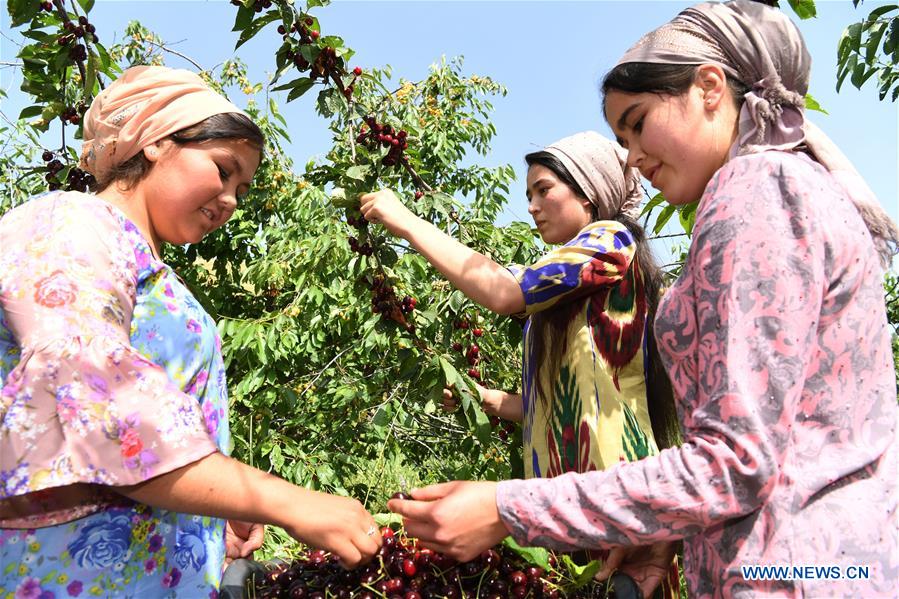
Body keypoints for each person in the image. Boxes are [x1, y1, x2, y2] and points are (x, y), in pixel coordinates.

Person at [387, 1, 899, 597]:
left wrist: (508, 508)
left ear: (710, 87)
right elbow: (761, 445)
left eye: (637, 122)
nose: (631, 156)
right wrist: (667, 531)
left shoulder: (757, 191)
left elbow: (734, 464)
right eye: (619, 137)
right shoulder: (784, 187)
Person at [0, 66, 381, 597]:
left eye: (241, 188)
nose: (230, 199)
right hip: (65, 575)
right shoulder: (70, 223)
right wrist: (282, 499)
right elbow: (85, 385)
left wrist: (216, 508)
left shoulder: (157, 274)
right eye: (223, 170)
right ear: (156, 142)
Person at [360, 132, 680, 595]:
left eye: (544, 189)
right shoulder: (562, 289)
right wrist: (486, 400)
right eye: (529, 194)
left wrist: (406, 221)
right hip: (560, 501)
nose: (532, 205)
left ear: (589, 195)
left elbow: (503, 291)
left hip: (612, 487)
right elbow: (552, 404)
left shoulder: (611, 241)